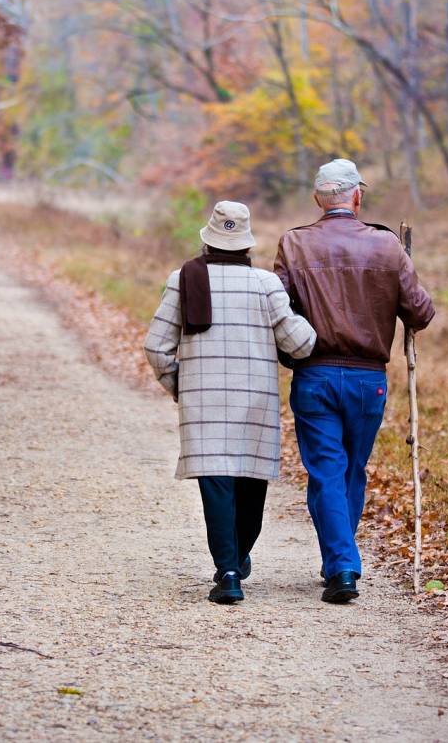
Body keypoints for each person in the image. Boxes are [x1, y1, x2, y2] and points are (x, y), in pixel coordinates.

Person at [275, 159, 435, 604]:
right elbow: (421, 313)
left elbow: (276, 307)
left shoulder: (294, 244)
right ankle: (341, 563)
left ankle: (340, 563)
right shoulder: (386, 246)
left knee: (327, 470)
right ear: (357, 197)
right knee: (349, 469)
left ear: (317, 200)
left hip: (315, 373)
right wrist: (402, 269)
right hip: (369, 380)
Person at [144, 201, 316, 605]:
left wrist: (180, 386)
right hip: (254, 401)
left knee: (216, 484)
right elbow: (300, 344)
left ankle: (229, 571)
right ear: (247, 245)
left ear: (207, 240)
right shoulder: (266, 285)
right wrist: (307, 319)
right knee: (250, 485)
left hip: (203, 404)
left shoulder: (182, 280)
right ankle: (237, 558)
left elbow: (156, 347)